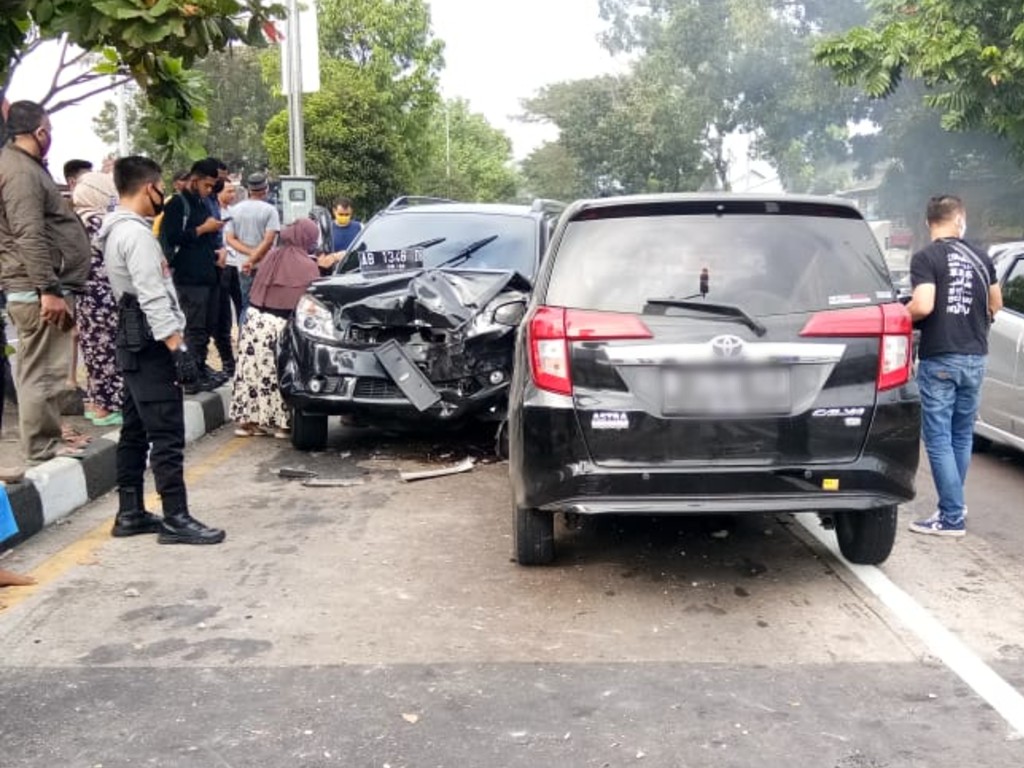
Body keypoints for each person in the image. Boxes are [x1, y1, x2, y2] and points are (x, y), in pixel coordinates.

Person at [98, 155, 225, 545]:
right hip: (152, 343)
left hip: (134, 339)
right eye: (159, 188)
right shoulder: (135, 235)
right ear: (147, 187)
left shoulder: (117, 230)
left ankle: (131, 511)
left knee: (135, 430)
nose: (163, 196)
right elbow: (152, 295)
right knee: (167, 433)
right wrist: (178, 347)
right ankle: (176, 517)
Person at [906, 195, 1003, 537]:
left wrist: (900, 315)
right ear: (960, 218)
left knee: (937, 438)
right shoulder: (981, 256)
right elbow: (997, 303)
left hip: (941, 358)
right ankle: (955, 505)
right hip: (975, 356)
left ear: (928, 222)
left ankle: (950, 517)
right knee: (961, 434)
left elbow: (923, 305)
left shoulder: (926, 257)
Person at [0, 101, 91, 463]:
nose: (50, 137)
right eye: (48, 130)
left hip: (41, 285)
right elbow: (28, 233)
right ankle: (41, 445)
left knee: (47, 369)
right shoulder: (20, 172)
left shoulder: (25, 167)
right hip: (36, 288)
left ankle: (50, 438)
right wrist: (48, 290)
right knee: (40, 371)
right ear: (39, 133)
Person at [230, 218, 319, 438]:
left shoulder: (271, 256)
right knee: (280, 375)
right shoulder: (307, 265)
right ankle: (282, 425)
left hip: (253, 322)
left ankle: (247, 422)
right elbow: (310, 303)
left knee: (251, 372)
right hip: (280, 326)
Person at [161, 158, 225, 393]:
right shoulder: (178, 203)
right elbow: (172, 236)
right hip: (188, 277)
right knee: (193, 328)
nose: (210, 190)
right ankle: (189, 377)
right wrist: (202, 229)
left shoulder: (201, 202)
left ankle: (199, 367)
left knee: (206, 327)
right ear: (194, 180)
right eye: (207, 185)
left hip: (207, 273)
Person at [71, 171, 124, 426]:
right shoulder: (98, 222)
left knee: (93, 351)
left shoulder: (75, 221)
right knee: (109, 350)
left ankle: (96, 403)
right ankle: (108, 406)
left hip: (85, 295)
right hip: (104, 294)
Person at [225, 172, 281, 321]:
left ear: (249, 189)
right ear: (266, 189)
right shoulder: (270, 210)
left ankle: (244, 339)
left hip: (243, 266)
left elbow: (230, 239)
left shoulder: (234, 210)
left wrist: (249, 256)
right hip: (266, 266)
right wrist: (255, 256)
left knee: (246, 306)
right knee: (266, 308)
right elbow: (269, 240)